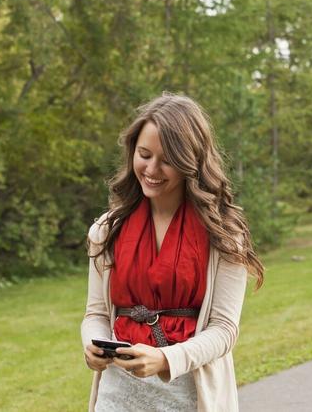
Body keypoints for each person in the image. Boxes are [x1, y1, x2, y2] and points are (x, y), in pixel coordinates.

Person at [80, 92, 265, 412]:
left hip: (188, 395)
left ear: (189, 162)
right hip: (118, 396)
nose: (151, 169)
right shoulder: (106, 230)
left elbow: (224, 331)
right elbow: (95, 314)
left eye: (166, 160)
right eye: (144, 154)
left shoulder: (223, 235)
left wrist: (166, 358)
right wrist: (92, 342)